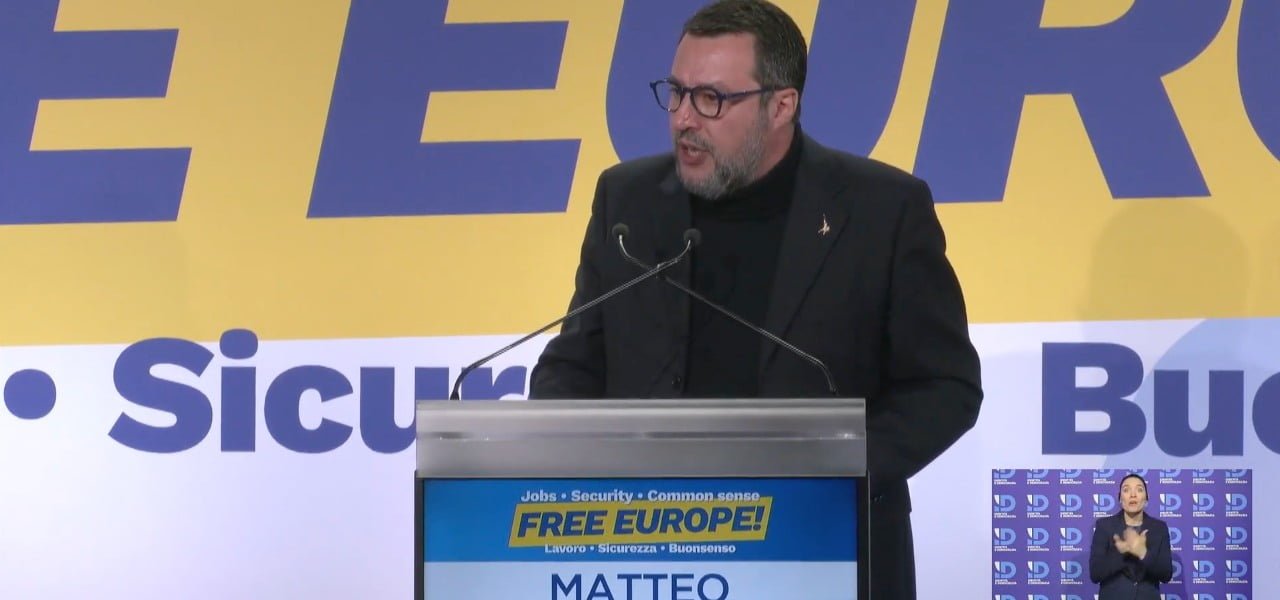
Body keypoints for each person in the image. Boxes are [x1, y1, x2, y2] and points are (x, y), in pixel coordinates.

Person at [529, 0, 982, 597]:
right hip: (652, 557)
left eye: (711, 99)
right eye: (676, 92)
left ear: (781, 105)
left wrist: (836, 473)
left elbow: (945, 386)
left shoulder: (882, 211)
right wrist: (569, 469)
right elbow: (573, 366)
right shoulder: (628, 202)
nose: (684, 119)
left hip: (825, 549)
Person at [1089, 473, 1174, 599]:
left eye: (1139, 490)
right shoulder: (1104, 526)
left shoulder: (1159, 528)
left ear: (1146, 498)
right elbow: (1095, 574)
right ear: (1120, 498)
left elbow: (1166, 575)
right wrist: (1120, 553)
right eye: (1126, 490)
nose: (1133, 494)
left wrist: (1143, 553)